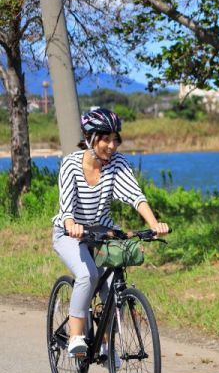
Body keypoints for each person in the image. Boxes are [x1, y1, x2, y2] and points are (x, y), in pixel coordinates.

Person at [51, 108, 170, 358]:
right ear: (89, 137)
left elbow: (135, 196)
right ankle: (75, 337)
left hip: (103, 231)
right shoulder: (71, 164)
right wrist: (72, 224)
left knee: (112, 284)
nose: (112, 145)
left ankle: (106, 345)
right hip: (69, 232)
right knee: (87, 275)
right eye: (106, 138)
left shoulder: (117, 163)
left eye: (116, 138)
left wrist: (154, 223)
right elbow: (66, 206)